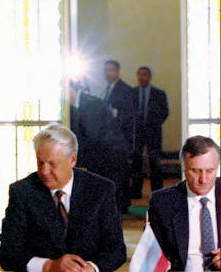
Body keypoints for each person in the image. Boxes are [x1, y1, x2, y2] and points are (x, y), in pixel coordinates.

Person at [0, 123, 126, 272]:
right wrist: (49, 266)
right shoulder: (22, 192)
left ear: (72, 160)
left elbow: (116, 249)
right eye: (40, 162)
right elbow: (7, 252)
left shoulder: (101, 189)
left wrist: (90, 269)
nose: (44, 171)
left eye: (52, 164)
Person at [148, 135, 220, 272]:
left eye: (210, 171)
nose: (203, 180)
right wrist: (160, 263)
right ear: (184, 168)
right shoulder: (162, 202)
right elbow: (151, 253)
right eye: (195, 171)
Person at [69, 81, 129, 213]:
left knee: (110, 202)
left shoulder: (91, 104)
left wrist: (74, 158)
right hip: (99, 156)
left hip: (111, 156)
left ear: (69, 89)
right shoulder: (76, 106)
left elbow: (93, 136)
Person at [131, 66, 169, 196]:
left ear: (149, 77)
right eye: (139, 74)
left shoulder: (159, 94)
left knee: (155, 162)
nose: (142, 77)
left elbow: (165, 112)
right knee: (136, 162)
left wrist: (154, 124)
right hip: (136, 133)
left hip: (153, 132)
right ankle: (136, 191)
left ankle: (157, 191)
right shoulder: (132, 93)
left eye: (144, 74)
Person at [102, 60, 135, 150]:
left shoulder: (126, 90)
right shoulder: (107, 89)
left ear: (117, 72)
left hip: (119, 138)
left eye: (111, 70)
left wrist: (114, 112)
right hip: (107, 137)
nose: (107, 73)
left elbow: (130, 115)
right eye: (105, 70)